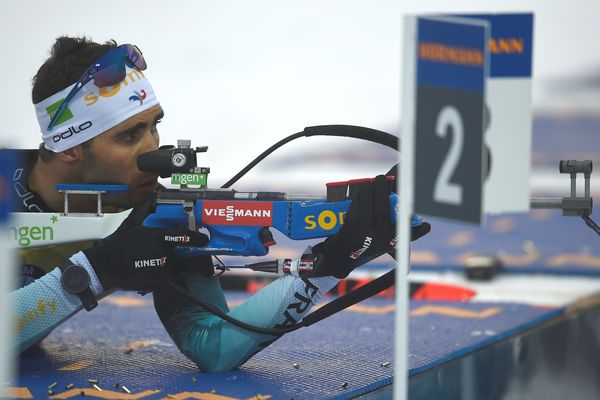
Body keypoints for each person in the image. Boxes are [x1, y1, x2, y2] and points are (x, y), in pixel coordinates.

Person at [8, 36, 430, 371]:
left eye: (155, 127)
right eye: (127, 136)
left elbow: (213, 347)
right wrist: (96, 270)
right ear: (69, 150)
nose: (152, 152)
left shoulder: (152, 213)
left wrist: (328, 264)